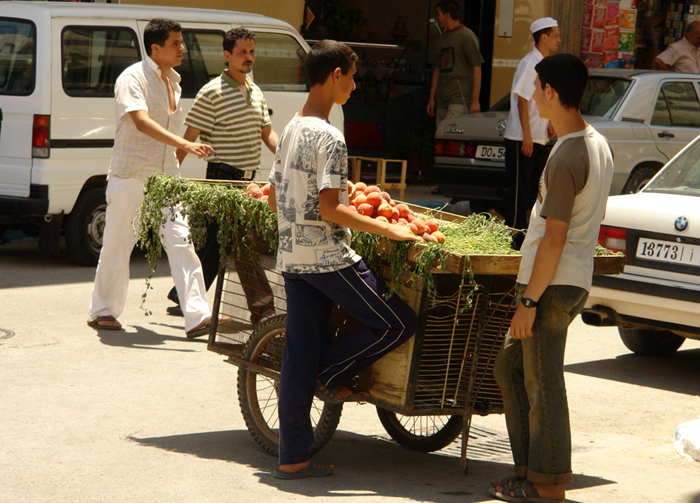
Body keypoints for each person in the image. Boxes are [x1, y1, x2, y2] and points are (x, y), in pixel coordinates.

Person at [267, 40, 419, 480]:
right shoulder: (330, 136)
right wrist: (391, 229)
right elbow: (332, 208)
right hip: (328, 258)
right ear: (335, 74)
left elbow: (276, 197)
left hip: (293, 256)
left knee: (298, 354)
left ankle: (293, 457)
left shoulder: (292, 126)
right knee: (397, 322)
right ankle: (329, 375)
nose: (354, 85)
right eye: (352, 76)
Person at [490, 53, 614, 503]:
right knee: (511, 367)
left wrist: (529, 301)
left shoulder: (569, 155)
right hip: (562, 279)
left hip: (552, 283)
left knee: (543, 382)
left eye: (537, 88)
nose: (533, 97)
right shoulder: (591, 141)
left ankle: (548, 485)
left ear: (551, 92)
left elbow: (555, 238)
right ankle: (531, 471)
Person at [87, 18, 216, 338]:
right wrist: (185, 144)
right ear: (155, 48)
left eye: (181, 42)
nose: (182, 48)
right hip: (131, 174)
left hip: (166, 177)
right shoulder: (132, 78)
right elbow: (141, 122)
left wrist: (177, 153)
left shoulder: (174, 81)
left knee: (181, 241)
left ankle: (198, 315)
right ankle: (103, 310)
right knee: (118, 244)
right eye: (176, 43)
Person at [165, 27, 277, 324]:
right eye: (242, 52)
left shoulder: (255, 90)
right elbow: (188, 139)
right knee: (242, 241)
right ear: (227, 55)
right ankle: (263, 310)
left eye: (252, 51)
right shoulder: (211, 92)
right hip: (222, 178)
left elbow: (267, 134)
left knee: (215, 243)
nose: (248, 57)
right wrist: (169, 178)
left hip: (249, 181)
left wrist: (288, 152)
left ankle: (183, 296)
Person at [492, 17, 561, 229]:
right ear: (544, 37)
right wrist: (527, 136)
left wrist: (549, 122)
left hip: (538, 137)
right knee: (519, 188)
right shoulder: (531, 63)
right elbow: (522, 100)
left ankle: (502, 216)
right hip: (521, 137)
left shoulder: (544, 64)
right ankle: (513, 229)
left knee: (533, 188)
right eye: (555, 36)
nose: (559, 40)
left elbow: (541, 98)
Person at [427, 0, 484, 126]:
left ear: (447, 15)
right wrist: (432, 98)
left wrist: (475, 101)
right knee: (440, 134)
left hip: (459, 96)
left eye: (438, 14)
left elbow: (477, 68)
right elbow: (437, 69)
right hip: (442, 96)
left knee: (451, 131)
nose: (437, 18)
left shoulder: (466, 36)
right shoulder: (442, 38)